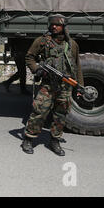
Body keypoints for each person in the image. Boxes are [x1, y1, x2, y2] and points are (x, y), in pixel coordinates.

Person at [21, 14, 84, 156]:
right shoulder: (42, 41)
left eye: (57, 24)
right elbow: (29, 57)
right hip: (48, 84)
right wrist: (37, 70)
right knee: (39, 112)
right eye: (52, 24)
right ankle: (28, 139)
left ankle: (54, 141)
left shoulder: (72, 45)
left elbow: (77, 66)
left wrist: (79, 86)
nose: (54, 27)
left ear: (64, 26)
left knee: (61, 115)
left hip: (65, 86)